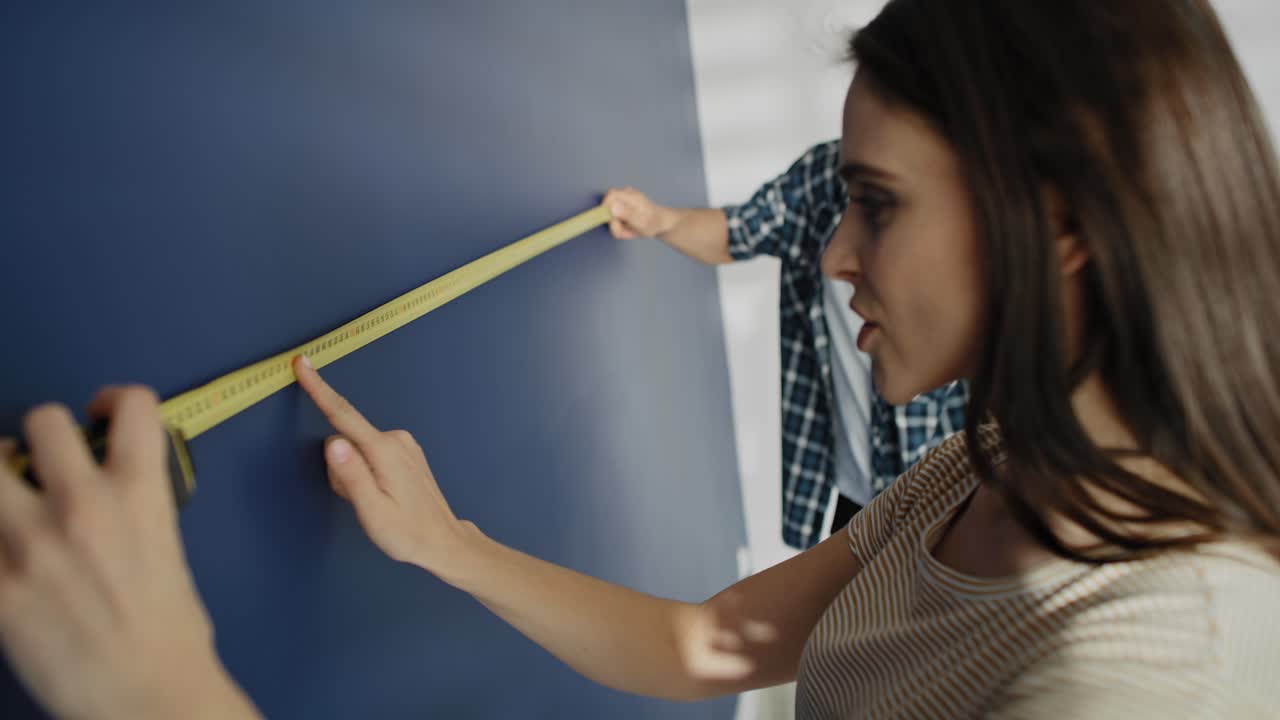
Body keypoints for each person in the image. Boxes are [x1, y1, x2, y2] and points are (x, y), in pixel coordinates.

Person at [4, 0, 1280, 717]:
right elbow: (716, 645)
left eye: (877, 204)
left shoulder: (1156, 676)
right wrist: (448, 541)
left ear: (1058, 221)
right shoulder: (987, 460)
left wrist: (153, 695)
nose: (834, 257)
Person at [604, 144, 967, 546]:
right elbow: (737, 232)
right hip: (860, 500)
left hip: (947, 514)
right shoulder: (823, 178)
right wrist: (658, 220)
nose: (833, 260)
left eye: (876, 209)